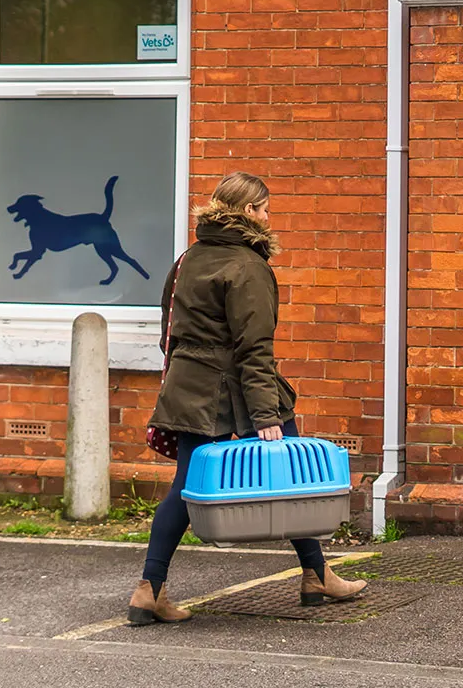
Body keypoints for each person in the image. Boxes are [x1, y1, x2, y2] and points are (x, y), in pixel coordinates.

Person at [128, 172, 367, 625]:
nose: (269, 215)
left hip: (189, 386)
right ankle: (316, 574)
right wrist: (264, 415)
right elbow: (253, 347)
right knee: (297, 474)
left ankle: (149, 590)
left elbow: (168, 329)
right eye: (265, 208)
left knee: (184, 488)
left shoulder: (188, 259)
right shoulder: (248, 266)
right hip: (238, 388)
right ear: (250, 212)